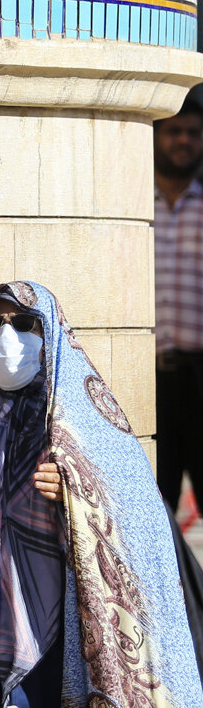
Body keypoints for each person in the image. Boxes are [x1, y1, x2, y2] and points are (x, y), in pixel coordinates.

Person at [0, 281, 203, 708]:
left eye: (24, 323)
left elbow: (139, 527)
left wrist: (77, 497)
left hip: (53, 653)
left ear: (51, 334)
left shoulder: (85, 431)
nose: (5, 335)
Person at [154, 95, 203, 512]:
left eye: (193, 133)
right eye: (174, 131)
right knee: (154, 500)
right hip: (147, 376)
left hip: (200, 372)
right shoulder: (130, 208)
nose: (183, 140)